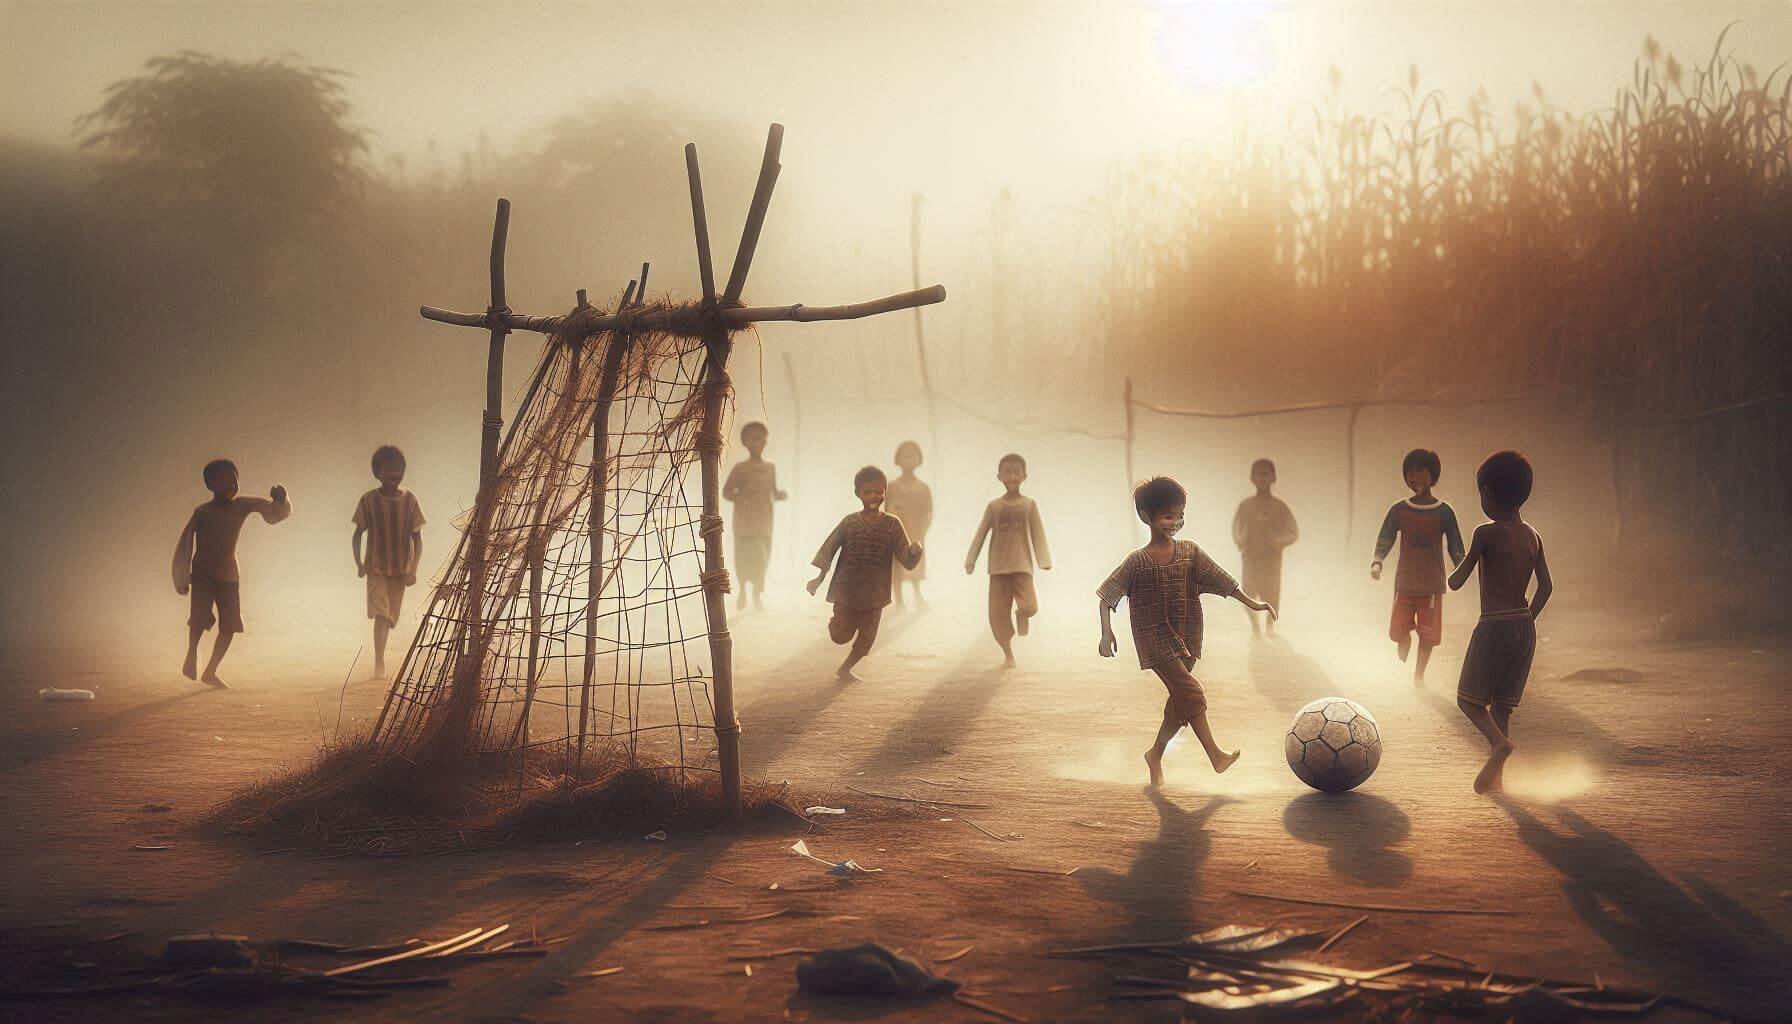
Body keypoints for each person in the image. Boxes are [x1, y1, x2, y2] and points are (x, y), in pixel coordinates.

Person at [1098, 476, 1275, 790]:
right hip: (1154, 641)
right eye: (1168, 516)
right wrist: (1106, 633)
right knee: (1192, 693)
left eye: (1180, 515)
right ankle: (1215, 756)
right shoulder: (1137, 562)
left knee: (1180, 706)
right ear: (1146, 517)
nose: (1175, 522)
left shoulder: (1190, 552)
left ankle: (1154, 755)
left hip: (1188, 636)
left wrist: (1254, 603)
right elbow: (1108, 594)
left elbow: (1224, 581)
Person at [1449, 450, 1552, 794]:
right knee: (1502, 704)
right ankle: (1498, 781)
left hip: (1494, 624)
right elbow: (1546, 587)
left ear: (1489, 494)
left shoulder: (1485, 533)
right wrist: (1527, 621)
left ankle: (1499, 744)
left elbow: (1456, 581)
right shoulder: (1533, 535)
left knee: (1469, 700)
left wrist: (1458, 563)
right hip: (1524, 626)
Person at [171, 459, 291, 688]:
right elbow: (186, 540)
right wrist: (182, 576)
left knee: (229, 626)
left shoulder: (243, 505)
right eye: (223, 480)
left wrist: (280, 499)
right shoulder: (202, 512)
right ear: (210, 484)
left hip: (228, 574)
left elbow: (273, 513)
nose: (229, 484)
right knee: (198, 616)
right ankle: (191, 653)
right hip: (203, 571)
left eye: (233, 479)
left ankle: (210, 671)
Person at [808, 466, 923, 681]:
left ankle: (845, 668)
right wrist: (818, 579)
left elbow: (906, 560)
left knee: (868, 637)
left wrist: (916, 551)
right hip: (847, 589)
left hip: (875, 592)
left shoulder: (892, 524)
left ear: (884, 492)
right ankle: (837, 625)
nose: (873, 497)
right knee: (841, 635)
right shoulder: (849, 522)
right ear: (858, 494)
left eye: (878, 492)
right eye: (867, 492)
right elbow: (829, 549)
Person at [1370, 448, 1465, 683]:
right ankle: (1404, 638)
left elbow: (1455, 543)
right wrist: (1377, 562)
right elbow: (1386, 537)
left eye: (1420, 473)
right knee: (1396, 630)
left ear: (1433, 476)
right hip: (1405, 583)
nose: (1415, 478)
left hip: (1431, 584)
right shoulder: (1399, 509)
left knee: (1428, 634)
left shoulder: (1444, 512)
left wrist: (1461, 567)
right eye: (1410, 473)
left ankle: (1419, 676)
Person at [965, 453, 1051, 667]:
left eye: (1015, 471)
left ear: (1024, 476)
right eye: (1007, 472)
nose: (1011, 476)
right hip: (997, 568)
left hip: (1022, 566)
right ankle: (1008, 655)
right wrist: (971, 559)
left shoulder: (1029, 505)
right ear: (999, 476)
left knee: (1030, 606)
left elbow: (1038, 533)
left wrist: (1044, 560)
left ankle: (1022, 614)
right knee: (997, 616)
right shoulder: (994, 506)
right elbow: (981, 532)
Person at [351, 445, 427, 679]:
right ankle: (379, 664)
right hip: (377, 569)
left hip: (400, 570)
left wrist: (413, 569)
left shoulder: (410, 501)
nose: (393, 476)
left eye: (398, 471)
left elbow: (418, 540)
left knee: (392, 616)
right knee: (382, 614)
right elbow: (358, 534)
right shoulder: (368, 501)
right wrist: (359, 563)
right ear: (378, 473)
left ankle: (380, 659)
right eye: (388, 471)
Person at [722, 421, 786, 611]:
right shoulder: (740, 469)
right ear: (746, 442)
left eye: (761, 437)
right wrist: (741, 497)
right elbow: (726, 492)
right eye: (754, 438)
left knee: (762, 559)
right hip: (744, 522)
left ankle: (757, 594)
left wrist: (781, 495)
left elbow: (773, 492)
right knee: (743, 558)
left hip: (765, 521)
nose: (758, 441)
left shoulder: (771, 468)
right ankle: (742, 588)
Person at [1231, 458, 1298, 636]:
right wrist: (1241, 540)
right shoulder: (1245, 506)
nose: (1262, 478)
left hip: (1271, 559)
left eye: (1265, 473)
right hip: (1250, 558)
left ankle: (1269, 628)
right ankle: (1256, 630)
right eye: (1258, 474)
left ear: (1273, 477)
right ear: (1252, 478)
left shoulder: (1280, 507)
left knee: (1271, 595)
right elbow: (1236, 528)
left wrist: (1278, 541)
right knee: (1247, 595)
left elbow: (1293, 532)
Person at [885, 440, 933, 612]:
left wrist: (924, 529)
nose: (908, 459)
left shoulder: (923, 488)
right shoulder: (892, 486)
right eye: (905, 456)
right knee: (897, 566)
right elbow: (886, 509)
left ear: (918, 459)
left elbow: (928, 510)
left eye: (912, 456)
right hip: (897, 531)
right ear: (898, 459)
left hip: (916, 531)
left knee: (916, 562)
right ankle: (899, 601)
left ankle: (918, 594)